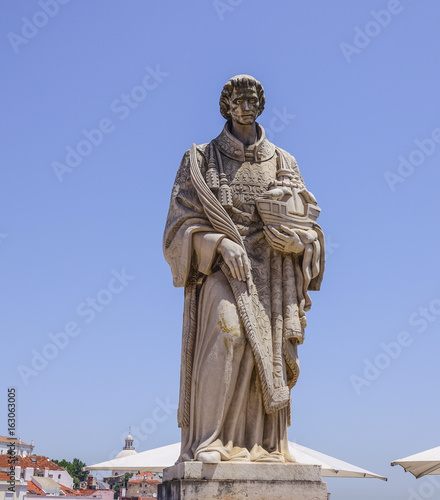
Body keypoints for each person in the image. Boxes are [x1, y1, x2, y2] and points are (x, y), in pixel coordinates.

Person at [163, 75, 324, 464]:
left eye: (252, 99)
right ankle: (211, 439)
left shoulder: (284, 161)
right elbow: (175, 229)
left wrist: (301, 244)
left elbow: (311, 224)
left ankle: (265, 445)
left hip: (274, 270)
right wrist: (217, 243)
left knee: (265, 353)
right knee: (229, 332)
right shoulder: (201, 159)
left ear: (261, 104)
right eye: (237, 100)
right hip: (223, 268)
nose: (245, 107)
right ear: (226, 106)